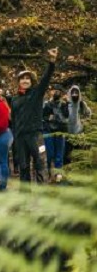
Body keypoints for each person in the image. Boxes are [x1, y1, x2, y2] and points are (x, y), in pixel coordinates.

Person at [11, 48, 58, 184]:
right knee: (24, 167)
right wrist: (15, 134)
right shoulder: (14, 99)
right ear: (19, 82)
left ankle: (42, 196)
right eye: (22, 79)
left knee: (40, 164)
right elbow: (13, 119)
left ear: (31, 81)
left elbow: (46, 78)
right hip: (20, 137)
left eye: (27, 78)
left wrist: (52, 62)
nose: (25, 81)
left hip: (35, 135)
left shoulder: (37, 93)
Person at [42, 86, 69, 182]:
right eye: (54, 90)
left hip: (60, 131)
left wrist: (68, 103)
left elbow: (67, 115)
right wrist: (48, 118)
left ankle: (58, 173)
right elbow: (42, 116)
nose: (55, 92)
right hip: (48, 131)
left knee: (59, 153)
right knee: (50, 153)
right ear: (50, 92)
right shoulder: (46, 104)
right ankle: (50, 172)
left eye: (58, 91)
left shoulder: (64, 104)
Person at [65, 85, 92, 164]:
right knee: (67, 155)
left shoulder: (82, 103)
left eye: (76, 92)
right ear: (70, 93)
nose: (74, 94)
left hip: (79, 133)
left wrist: (84, 121)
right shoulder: (66, 103)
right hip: (67, 133)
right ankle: (67, 172)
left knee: (79, 154)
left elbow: (89, 113)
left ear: (79, 93)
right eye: (73, 92)